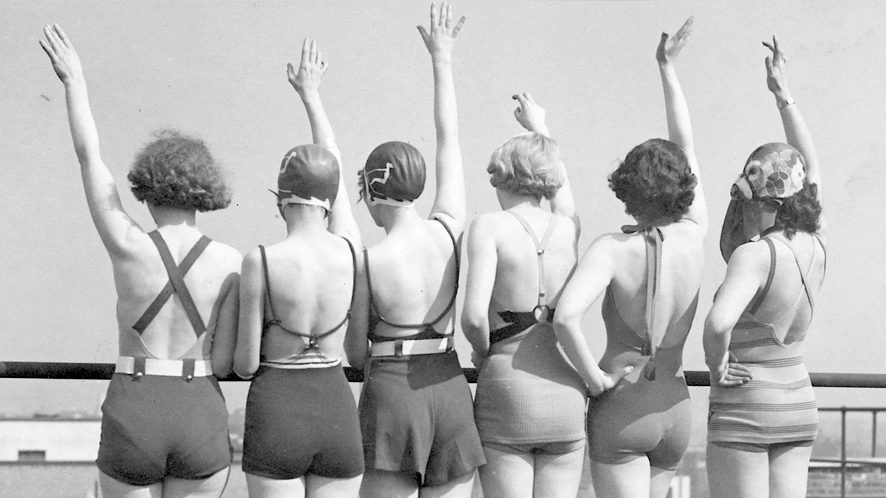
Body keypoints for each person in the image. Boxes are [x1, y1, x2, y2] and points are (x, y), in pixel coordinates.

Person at [40, 24, 241, 497]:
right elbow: (228, 359)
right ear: (206, 190)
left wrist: (74, 82)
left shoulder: (127, 243)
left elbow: (89, 158)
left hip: (134, 405)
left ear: (145, 188)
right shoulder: (232, 261)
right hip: (199, 407)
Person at [552, 18, 707, 498]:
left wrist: (594, 379)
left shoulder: (612, 249)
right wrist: (668, 69)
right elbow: (685, 144)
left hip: (622, 405)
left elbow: (565, 318)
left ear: (628, 190)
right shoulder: (695, 233)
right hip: (676, 405)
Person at [345, 3, 485, 497]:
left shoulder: (369, 259)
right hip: (449, 384)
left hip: (392, 388)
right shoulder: (448, 228)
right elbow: (449, 140)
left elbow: (354, 351)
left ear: (371, 193)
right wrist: (442, 60)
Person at [233, 39, 365, 498]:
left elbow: (246, 365)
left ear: (280, 200)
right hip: (336, 407)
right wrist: (312, 97)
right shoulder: (350, 251)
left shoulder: (260, 260)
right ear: (329, 200)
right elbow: (335, 162)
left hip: (277, 410)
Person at [704, 36, 826, 498]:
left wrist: (716, 366)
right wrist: (783, 96)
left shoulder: (753, 255)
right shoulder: (816, 241)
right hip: (798, 401)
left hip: (746, 406)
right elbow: (812, 169)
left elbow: (719, 324)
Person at [461, 95, 585, 498]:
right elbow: (563, 194)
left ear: (500, 177)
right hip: (565, 393)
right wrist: (540, 129)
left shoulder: (489, 226)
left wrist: (482, 353)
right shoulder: (568, 226)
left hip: (508, 389)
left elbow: (473, 317)